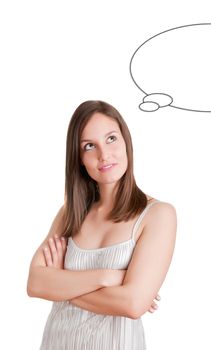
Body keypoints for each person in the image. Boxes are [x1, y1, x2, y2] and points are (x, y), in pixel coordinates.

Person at [27, 100, 177, 349]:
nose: (104, 154)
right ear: (79, 158)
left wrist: (61, 284)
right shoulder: (70, 214)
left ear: (126, 142)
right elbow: (35, 283)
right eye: (89, 146)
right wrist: (110, 277)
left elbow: (133, 304)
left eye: (111, 139)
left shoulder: (157, 215)